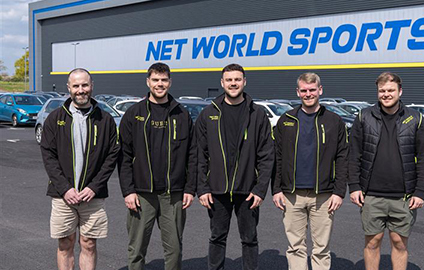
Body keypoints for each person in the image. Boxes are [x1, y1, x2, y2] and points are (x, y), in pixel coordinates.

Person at [348, 72, 424, 270]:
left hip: (404, 196)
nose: (386, 94)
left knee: (399, 243)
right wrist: (354, 186)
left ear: (400, 91)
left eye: (390, 90)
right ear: (377, 92)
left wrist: (420, 192)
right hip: (371, 195)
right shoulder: (363, 117)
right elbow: (354, 154)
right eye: (382, 91)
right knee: (372, 242)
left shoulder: (415, 119)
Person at [196, 63, 275, 270]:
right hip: (217, 190)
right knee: (217, 238)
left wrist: (260, 189)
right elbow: (199, 155)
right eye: (229, 80)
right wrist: (202, 188)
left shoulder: (257, 115)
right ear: (222, 83)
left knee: (249, 239)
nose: (233, 83)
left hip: (248, 191)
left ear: (244, 81)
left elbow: (267, 155)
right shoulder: (208, 114)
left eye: (237, 79)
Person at [118, 62, 196, 270]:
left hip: (173, 195)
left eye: (163, 80)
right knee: (136, 249)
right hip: (142, 194)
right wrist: (128, 191)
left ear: (169, 82)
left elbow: (192, 154)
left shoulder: (181, 114)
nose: (159, 84)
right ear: (148, 82)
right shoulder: (134, 114)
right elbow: (124, 156)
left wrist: (190, 188)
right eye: (155, 80)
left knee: (175, 249)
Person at [40, 68, 120, 270]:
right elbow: (48, 156)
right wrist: (65, 188)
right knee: (65, 244)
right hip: (62, 195)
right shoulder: (55, 118)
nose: (81, 90)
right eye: (76, 86)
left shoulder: (106, 120)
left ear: (92, 86)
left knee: (89, 244)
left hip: (92, 196)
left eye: (85, 85)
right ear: (69, 88)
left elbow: (111, 157)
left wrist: (93, 187)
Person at [272, 73, 348, 270]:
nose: (308, 94)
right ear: (298, 92)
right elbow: (277, 157)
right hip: (291, 194)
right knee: (295, 247)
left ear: (320, 90)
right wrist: (276, 189)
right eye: (304, 90)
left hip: (323, 196)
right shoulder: (286, 120)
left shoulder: (334, 121)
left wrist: (339, 192)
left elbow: (342, 158)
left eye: (312, 90)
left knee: (321, 248)